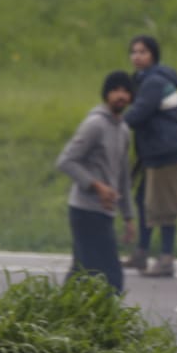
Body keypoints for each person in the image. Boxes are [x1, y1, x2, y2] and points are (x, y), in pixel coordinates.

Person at [56, 71, 136, 294]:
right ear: (106, 94)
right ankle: (107, 323)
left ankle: (59, 316)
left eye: (126, 91)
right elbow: (66, 160)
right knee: (111, 276)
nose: (121, 95)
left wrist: (129, 217)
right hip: (84, 210)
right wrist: (96, 185)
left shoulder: (123, 130)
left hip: (104, 212)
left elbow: (122, 178)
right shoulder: (95, 124)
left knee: (81, 271)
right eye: (115, 90)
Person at [123, 35, 177, 278]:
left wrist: (112, 124)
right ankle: (141, 252)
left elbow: (138, 114)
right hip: (153, 151)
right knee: (144, 201)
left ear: (153, 54)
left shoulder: (153, 82)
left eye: (142, 51)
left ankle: (166, 259)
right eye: (133, 52)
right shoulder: (143, 80)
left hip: (167, 151)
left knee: (163, 206)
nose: (137, 56)